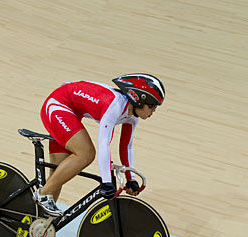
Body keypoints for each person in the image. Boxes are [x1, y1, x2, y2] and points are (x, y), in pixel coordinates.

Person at [34, 73, 165, 216]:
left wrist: (130, 178)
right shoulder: (114, 106)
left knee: (58, 175)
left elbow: (126, 147)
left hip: (72, 112)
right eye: (152, 106)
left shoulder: (133, 116)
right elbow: (104, 143)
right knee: (86, 153)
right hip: (58, 105)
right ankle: (42, 194)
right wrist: (106, 181)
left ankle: (39, 222)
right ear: (139, 100)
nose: (153, 111)